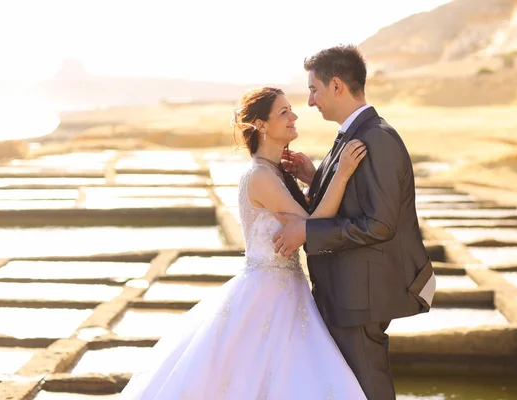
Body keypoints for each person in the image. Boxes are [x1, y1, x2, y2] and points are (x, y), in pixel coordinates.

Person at [119, 87, 368, 399]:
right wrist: (341, 175)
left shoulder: (275, 172)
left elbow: (308, 218)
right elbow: (315, 224)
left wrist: (312, 177)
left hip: (287, 290)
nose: (294, 116)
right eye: (284, 112)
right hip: (267, 294)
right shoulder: (261, 177)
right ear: (262, 125)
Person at [273, 45, 436, 400]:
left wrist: (307, 231)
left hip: (361, 294)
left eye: (314, 89)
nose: (311, 101)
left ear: (336, 86)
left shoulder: (377, 138)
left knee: (368, 388)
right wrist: (314, 176)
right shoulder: (352, 132)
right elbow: (354, 199)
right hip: (347, 290)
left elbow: (379, 224)